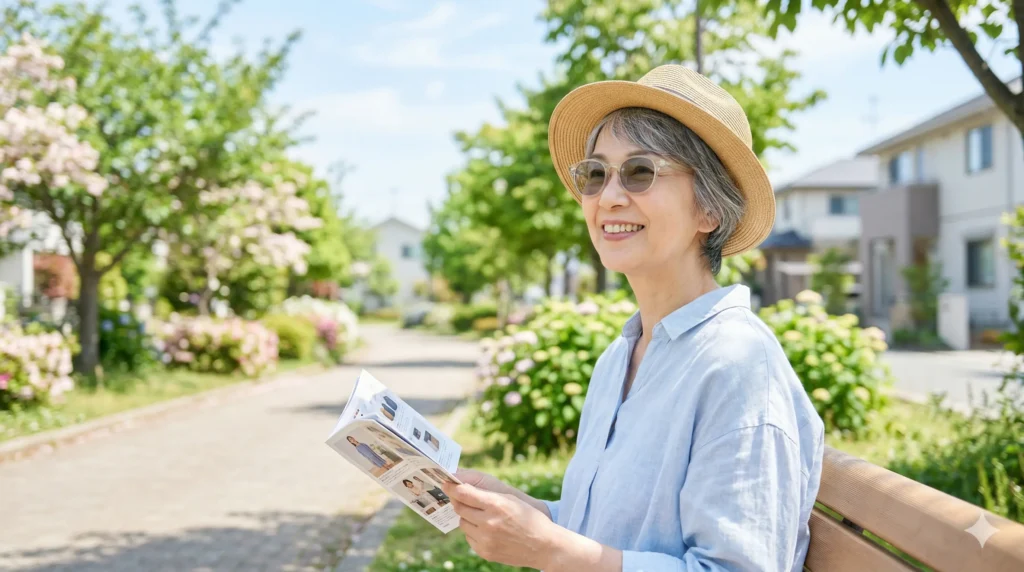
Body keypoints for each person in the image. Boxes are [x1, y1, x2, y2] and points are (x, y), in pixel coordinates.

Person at [440, 64, 825, 571]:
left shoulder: (739, 368)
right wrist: (527, 513)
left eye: (641, 171)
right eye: (595, 174)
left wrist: (550, 549)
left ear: (709, 210)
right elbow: (608, 533)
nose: (609, 196)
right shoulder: (620, 357)